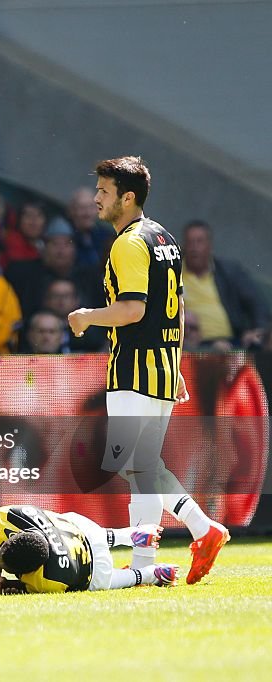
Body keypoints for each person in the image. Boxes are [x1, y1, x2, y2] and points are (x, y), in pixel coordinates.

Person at [67, 156, 229, 585]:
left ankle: (160, 552)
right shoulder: (165, 238)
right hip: (158, 368)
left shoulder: (129, 243)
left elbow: (134, 309)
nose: (96, 198)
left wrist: (86, 316)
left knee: (133, 466)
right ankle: (196, 532)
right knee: (141, 464)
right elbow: (172, 309)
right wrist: (173, 364)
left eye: (103, 191)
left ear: (128, 197)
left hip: (134, 369)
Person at [0, 504, 176, 594]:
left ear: (29, 571)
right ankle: (128, 535)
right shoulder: (9, 515)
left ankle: (152, 574)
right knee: (70, 520)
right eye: (2, 554)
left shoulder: (48, 579)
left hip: (95, 570)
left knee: (119, 580)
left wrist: (0, 583)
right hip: (88, 532)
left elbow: (1, 579)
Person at [180, 220, 269, 350]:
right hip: (190, 346)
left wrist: (258, 331)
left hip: (232, 343)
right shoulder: (173, 273)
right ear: (183, 246)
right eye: (190, 242)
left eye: (199, 242)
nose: (194, 248)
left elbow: (258, 305)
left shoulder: (228, 271)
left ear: (210, 246)